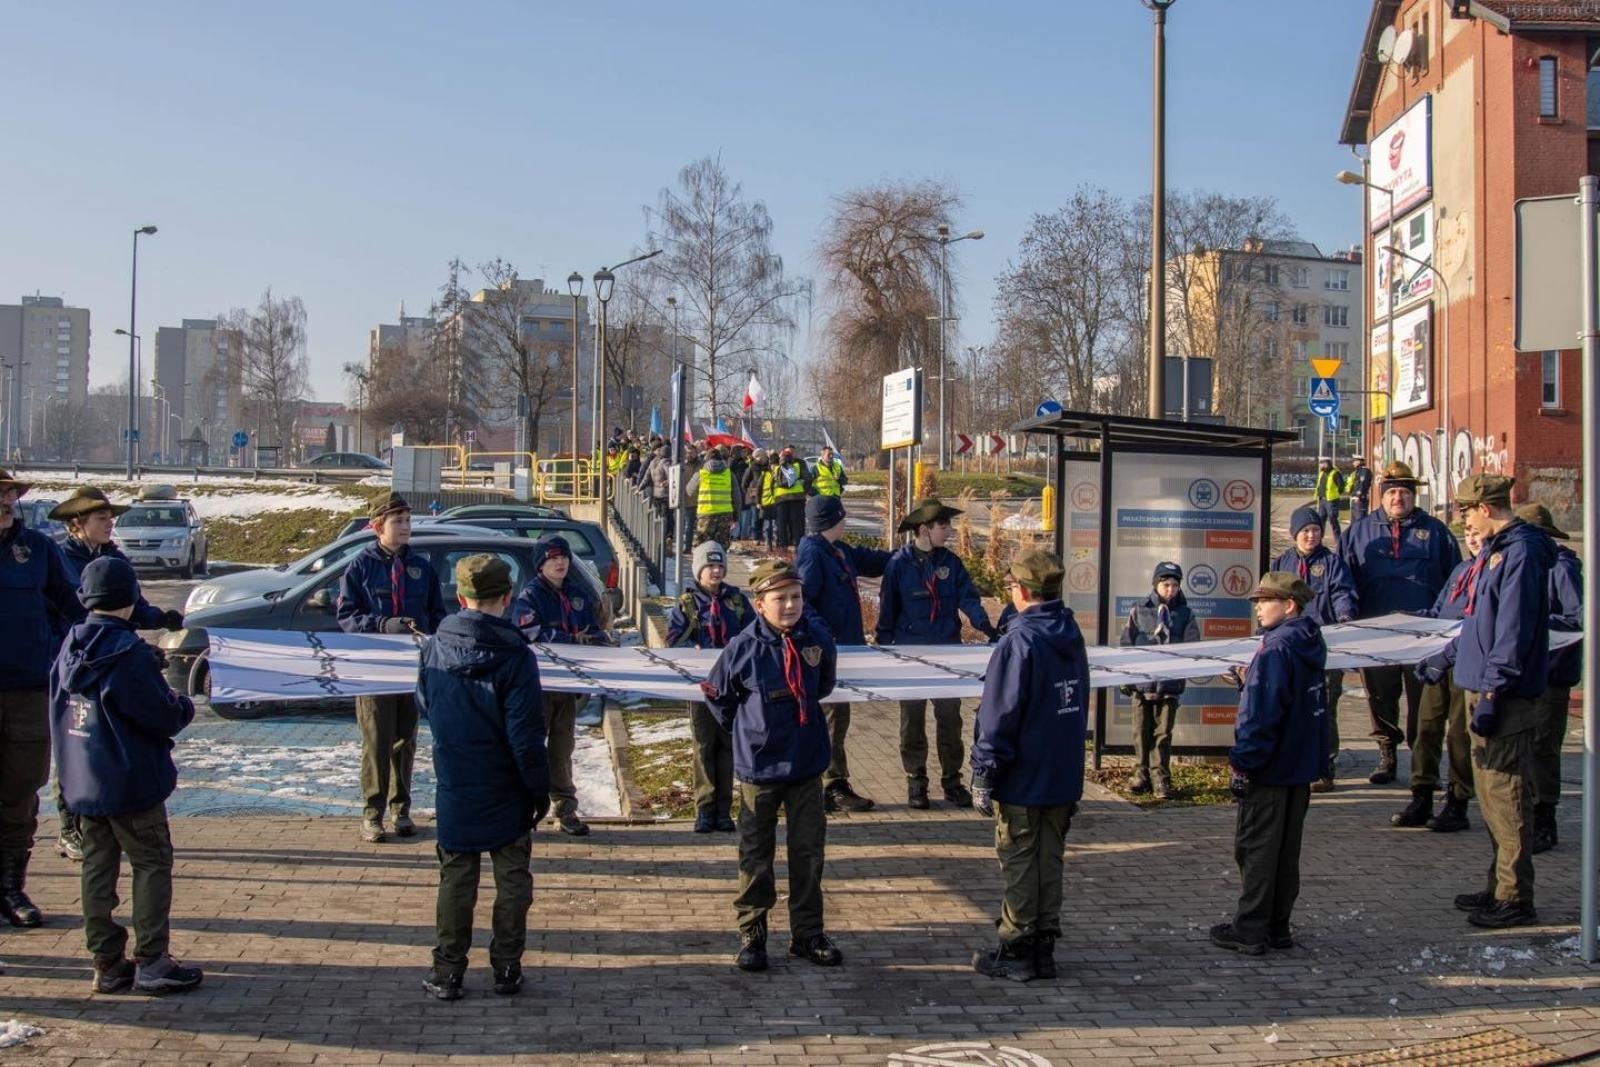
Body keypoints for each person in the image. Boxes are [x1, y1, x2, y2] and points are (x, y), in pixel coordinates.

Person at [51, 556, 201, 994]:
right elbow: (162, 715)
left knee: (97, 868)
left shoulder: (70, 645)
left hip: (84, 779)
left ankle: (106, 960)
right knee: (151, 863)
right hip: (131, 782)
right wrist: (181, 701)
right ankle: (152, 958)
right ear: (130, 598)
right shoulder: (126, 654)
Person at [415, 555, 550, 1001]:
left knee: (456, 877)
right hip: (506, 781)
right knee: (512, 879)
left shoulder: (434, 646)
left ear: (460, 597)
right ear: (507, 597)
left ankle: (447, 970)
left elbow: (426, 704)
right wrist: (538, 788)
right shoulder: (516, 656)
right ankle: (507, 967)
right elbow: (526, 735)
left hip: (455, 777)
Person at [702, 559, 842, 973]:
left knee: (808, 854)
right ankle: (753, 933)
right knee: (756, 856)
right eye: (780, 598)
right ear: (760, 604)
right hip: (760, 769)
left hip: (805, 764)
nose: (790, 605)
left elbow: (824, 685)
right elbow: (718, 697)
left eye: (796, 597)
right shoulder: (742, 647)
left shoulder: (816, 639)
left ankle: (808, 933)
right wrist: (749, 732)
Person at [1433, 475, 1553, 928]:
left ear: (1485, 508)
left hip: (1503, 694)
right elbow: (1475, 621)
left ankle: (1515, 897)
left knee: (1507, 796)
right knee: (1489, 796)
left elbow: (1512, 630)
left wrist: (1492, 688)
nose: (1464, 519)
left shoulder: (1519, 552)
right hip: (1483, 684)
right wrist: (1450, 657)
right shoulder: (1495, 552)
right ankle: (1498, 884)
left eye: (1466, 511)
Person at [47, 487, 187, 863]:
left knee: (110, 742)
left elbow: (131, 607)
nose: (110, 524)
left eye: (111, 518)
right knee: (75, 745)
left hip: (113, 659)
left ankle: (107, 820)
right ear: (78, 523)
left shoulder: (114, 559)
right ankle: (70, 825)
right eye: (102, 519)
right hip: (76, 662)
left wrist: (161, 619)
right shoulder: (59, 558)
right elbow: (68, 612)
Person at [969, 550, 1088, 983]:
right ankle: (1043, 944)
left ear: (1019, 591)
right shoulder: (1069, 633)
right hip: (1061, 771)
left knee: (1019, 857)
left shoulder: (1019, 642)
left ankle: (1018, 946)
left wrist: (984, 769)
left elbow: (1000, 713)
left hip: (1022, 773)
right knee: (1049, 858)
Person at [1209, 573, 1328, 956]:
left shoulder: (1275, 649)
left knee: (1257, 848)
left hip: (1270, 768)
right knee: (1284, 851)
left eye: (1265, 600)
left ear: (1288, 605)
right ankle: (1278, 926)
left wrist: (1243, 764)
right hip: (1298, 766)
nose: (1257, 607)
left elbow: (1262, 715)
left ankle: (1250, 929)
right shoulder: (1309, 640)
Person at [1339, 460, 1462, 785]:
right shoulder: (1359, 532)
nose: (1398, 498)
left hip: (1424, 637)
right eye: (1392, 492)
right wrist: (1347, 619)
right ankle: (1387, 756)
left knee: (1426, 703)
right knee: (1380, 698)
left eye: (1404, 493)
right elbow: (1343, 581)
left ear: (1414, 497)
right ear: (1381, 496)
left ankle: (1424, 766)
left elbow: (1456, 581)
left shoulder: (1436, 532)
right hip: (1375, 634)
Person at [336, 492, 446, 844]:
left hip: (411, 668)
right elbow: (347, 616)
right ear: (378, 526)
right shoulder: (361, 566)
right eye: (397, 521)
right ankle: (373, 812)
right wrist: (383, 625)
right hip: (375, 668)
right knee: (376, 742)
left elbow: (436, 613)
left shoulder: (421, 567)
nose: (405, 527)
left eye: (408, 521)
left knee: (406, 741)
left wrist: (434, 638)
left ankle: (401, 810)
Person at [877, 498, 998, 810]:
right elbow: (888, 611)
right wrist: (882, 648)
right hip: (912, 657)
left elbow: (968, 598)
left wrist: (986, 626)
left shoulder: (950, 562)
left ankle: (952, 782)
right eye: (943, 526)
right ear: (923, 529)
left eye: (948, 525)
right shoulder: (898, 565)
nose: (949, 530)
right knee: (912, 723)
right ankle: (916, 783)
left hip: (948, 654)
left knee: (949, 720)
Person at [0, 467, 79, 928]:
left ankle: (11, 887)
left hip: (28, 692)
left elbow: (74, 608)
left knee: (20, 794)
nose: (6, 501)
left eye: (10, 493)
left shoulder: (39, 551)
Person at [795, 493, 890, 814]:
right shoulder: (813, 554)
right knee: (832, 718)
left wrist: (909, 553)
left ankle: (830, 781)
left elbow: (871, 561)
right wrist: (823, 634)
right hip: (826, 653)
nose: (846, 520)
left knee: (839, 717)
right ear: (830, 521)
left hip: (845, 650)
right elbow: (803, 602)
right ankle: (830, 785)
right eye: (842, 516)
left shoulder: (838, 550)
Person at [512, 535, 608, 837]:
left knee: (562, 747)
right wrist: (570, 640)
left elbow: (591, 629)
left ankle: (565, 807)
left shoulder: (578, 593)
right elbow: (530, 634)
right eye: (553, 557)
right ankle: (524, 808)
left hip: (568, 688)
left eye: (564, 557)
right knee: (532, 748)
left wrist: (597, 640)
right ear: (541, 564)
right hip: (538, 686)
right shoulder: (529, 597)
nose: (560, 562)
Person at [665, 541, 754, 833]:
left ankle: (724, 810)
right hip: (702, 687)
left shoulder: (737, 600)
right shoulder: (687, 603)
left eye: (719, 566)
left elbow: (754, 634)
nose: (715, 572)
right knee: (704, 746)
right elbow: (674, 640)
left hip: (731, 687)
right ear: (699, 571)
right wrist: (694, 648)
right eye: (710, 566)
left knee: (727, 747)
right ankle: (704, 808)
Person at [1272, 505, 1358, 792]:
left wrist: (1345, 617)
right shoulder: (1281, 564)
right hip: (1288, 647)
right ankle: (1292, 763)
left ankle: (1324, 766)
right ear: (1294, 533)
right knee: (1291, 706)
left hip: (1323, 647)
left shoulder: (1332, 563)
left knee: (1324, 707)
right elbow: (1269, 601)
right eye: (1306, 531)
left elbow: (1343, 593)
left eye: (1316, 530)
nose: (1311, 536)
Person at [1513, 504, 1581, 855]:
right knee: (1526, 746)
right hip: (1528, 671)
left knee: (1543, 746)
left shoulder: (1561, 568)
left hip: (1552, 674)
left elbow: (1576, 619)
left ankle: (1546, 816)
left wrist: (1533, 623)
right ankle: (1532, 814)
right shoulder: (1527, 566)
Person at [1411, 526, 1484, 835]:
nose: (1473, 539)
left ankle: (1458, 800)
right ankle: (1422, 793)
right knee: (1425, 725)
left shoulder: (1494, 571)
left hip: (1466, 660)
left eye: (1479, 533)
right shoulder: (1461, 569)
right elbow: (1440, 609)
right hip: (1440, 655)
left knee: (1458, 733)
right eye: (1469, 533)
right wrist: (1413, 620)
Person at [1117, 561, 1202, 800]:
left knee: (1163, 732)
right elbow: (1127, 642)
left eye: (1175, 585)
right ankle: (1140, 774)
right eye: (1166, 584)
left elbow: (1192, 645)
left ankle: (1161, 777)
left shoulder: (1185, 613)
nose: (1170, 589)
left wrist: (1180, 668)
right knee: (1140, 730)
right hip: (1142, 684)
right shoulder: (1139, 610)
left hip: (1169, 685)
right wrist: (1126, 675)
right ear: (1156, 585)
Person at [686, 446, 740, 546]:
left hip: (705, 515)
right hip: (724, 515)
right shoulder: (729, 474)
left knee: (702, 545)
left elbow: (689, 491)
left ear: (706, 460)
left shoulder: (701, 474)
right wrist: (736, 517)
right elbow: (737, 498)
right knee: (722, 545)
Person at [769, 446, 809, 551]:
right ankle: (798, 545)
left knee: (781, 523)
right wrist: (804, 492)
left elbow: (771, 484)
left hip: (781, 498)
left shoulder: (776, 467)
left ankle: (783, 546)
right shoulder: (798, 465)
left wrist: (774, 496)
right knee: (797, 523)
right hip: (797, 498)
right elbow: (808, 478)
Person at [1314, 458, 1345, 541]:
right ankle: (1319, 538)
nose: (1320, 466)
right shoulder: (1322, 473)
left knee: (1333, 519)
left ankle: (1338, 539)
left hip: (1331, 500)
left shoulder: (1335, 473)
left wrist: (1336, 494)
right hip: (1322, 500)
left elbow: (1341, 486)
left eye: (1322, 463)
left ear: (1327, 464)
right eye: (1320, 464)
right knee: (1321, 519)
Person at [1347, 456, 1373, 523]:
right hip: (1354, 498)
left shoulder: (1365, 471)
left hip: (1360, 499)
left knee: (1360, 519)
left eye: (1354, 461)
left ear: (1359, 461)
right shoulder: (1357, 471)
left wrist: (1359, 495)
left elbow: (1363, 484)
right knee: (1354, 520)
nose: (1353, 463)